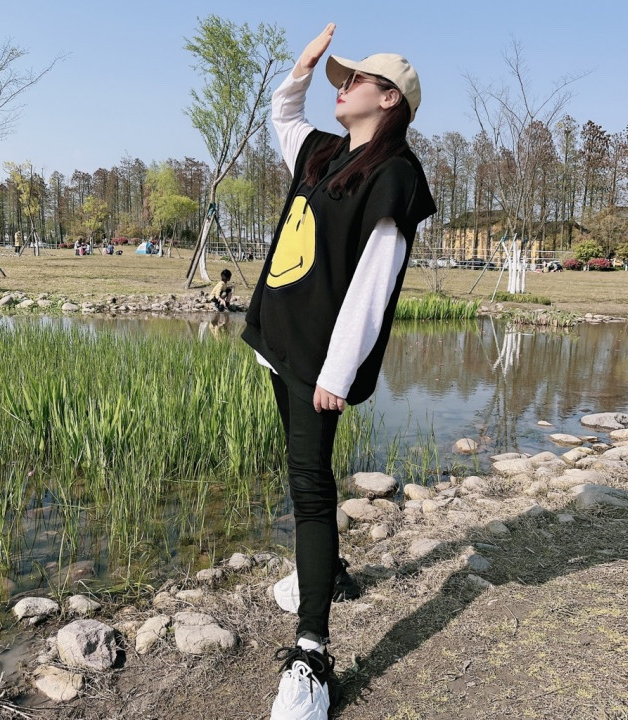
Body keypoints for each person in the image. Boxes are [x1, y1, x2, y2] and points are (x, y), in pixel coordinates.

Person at [241, 24, 436, 720]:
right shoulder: (324, 153)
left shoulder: (395, 175)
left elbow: (374, 285)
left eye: (355, 80)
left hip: (318, 359)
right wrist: (301, 67)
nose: (342, 86)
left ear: (388, 99)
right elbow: (282, 116)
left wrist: (338, 370)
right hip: (280, 339)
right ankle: (325, 573)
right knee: (306, 473)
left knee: (310, 487)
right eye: (341, 78)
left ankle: (313, 653)